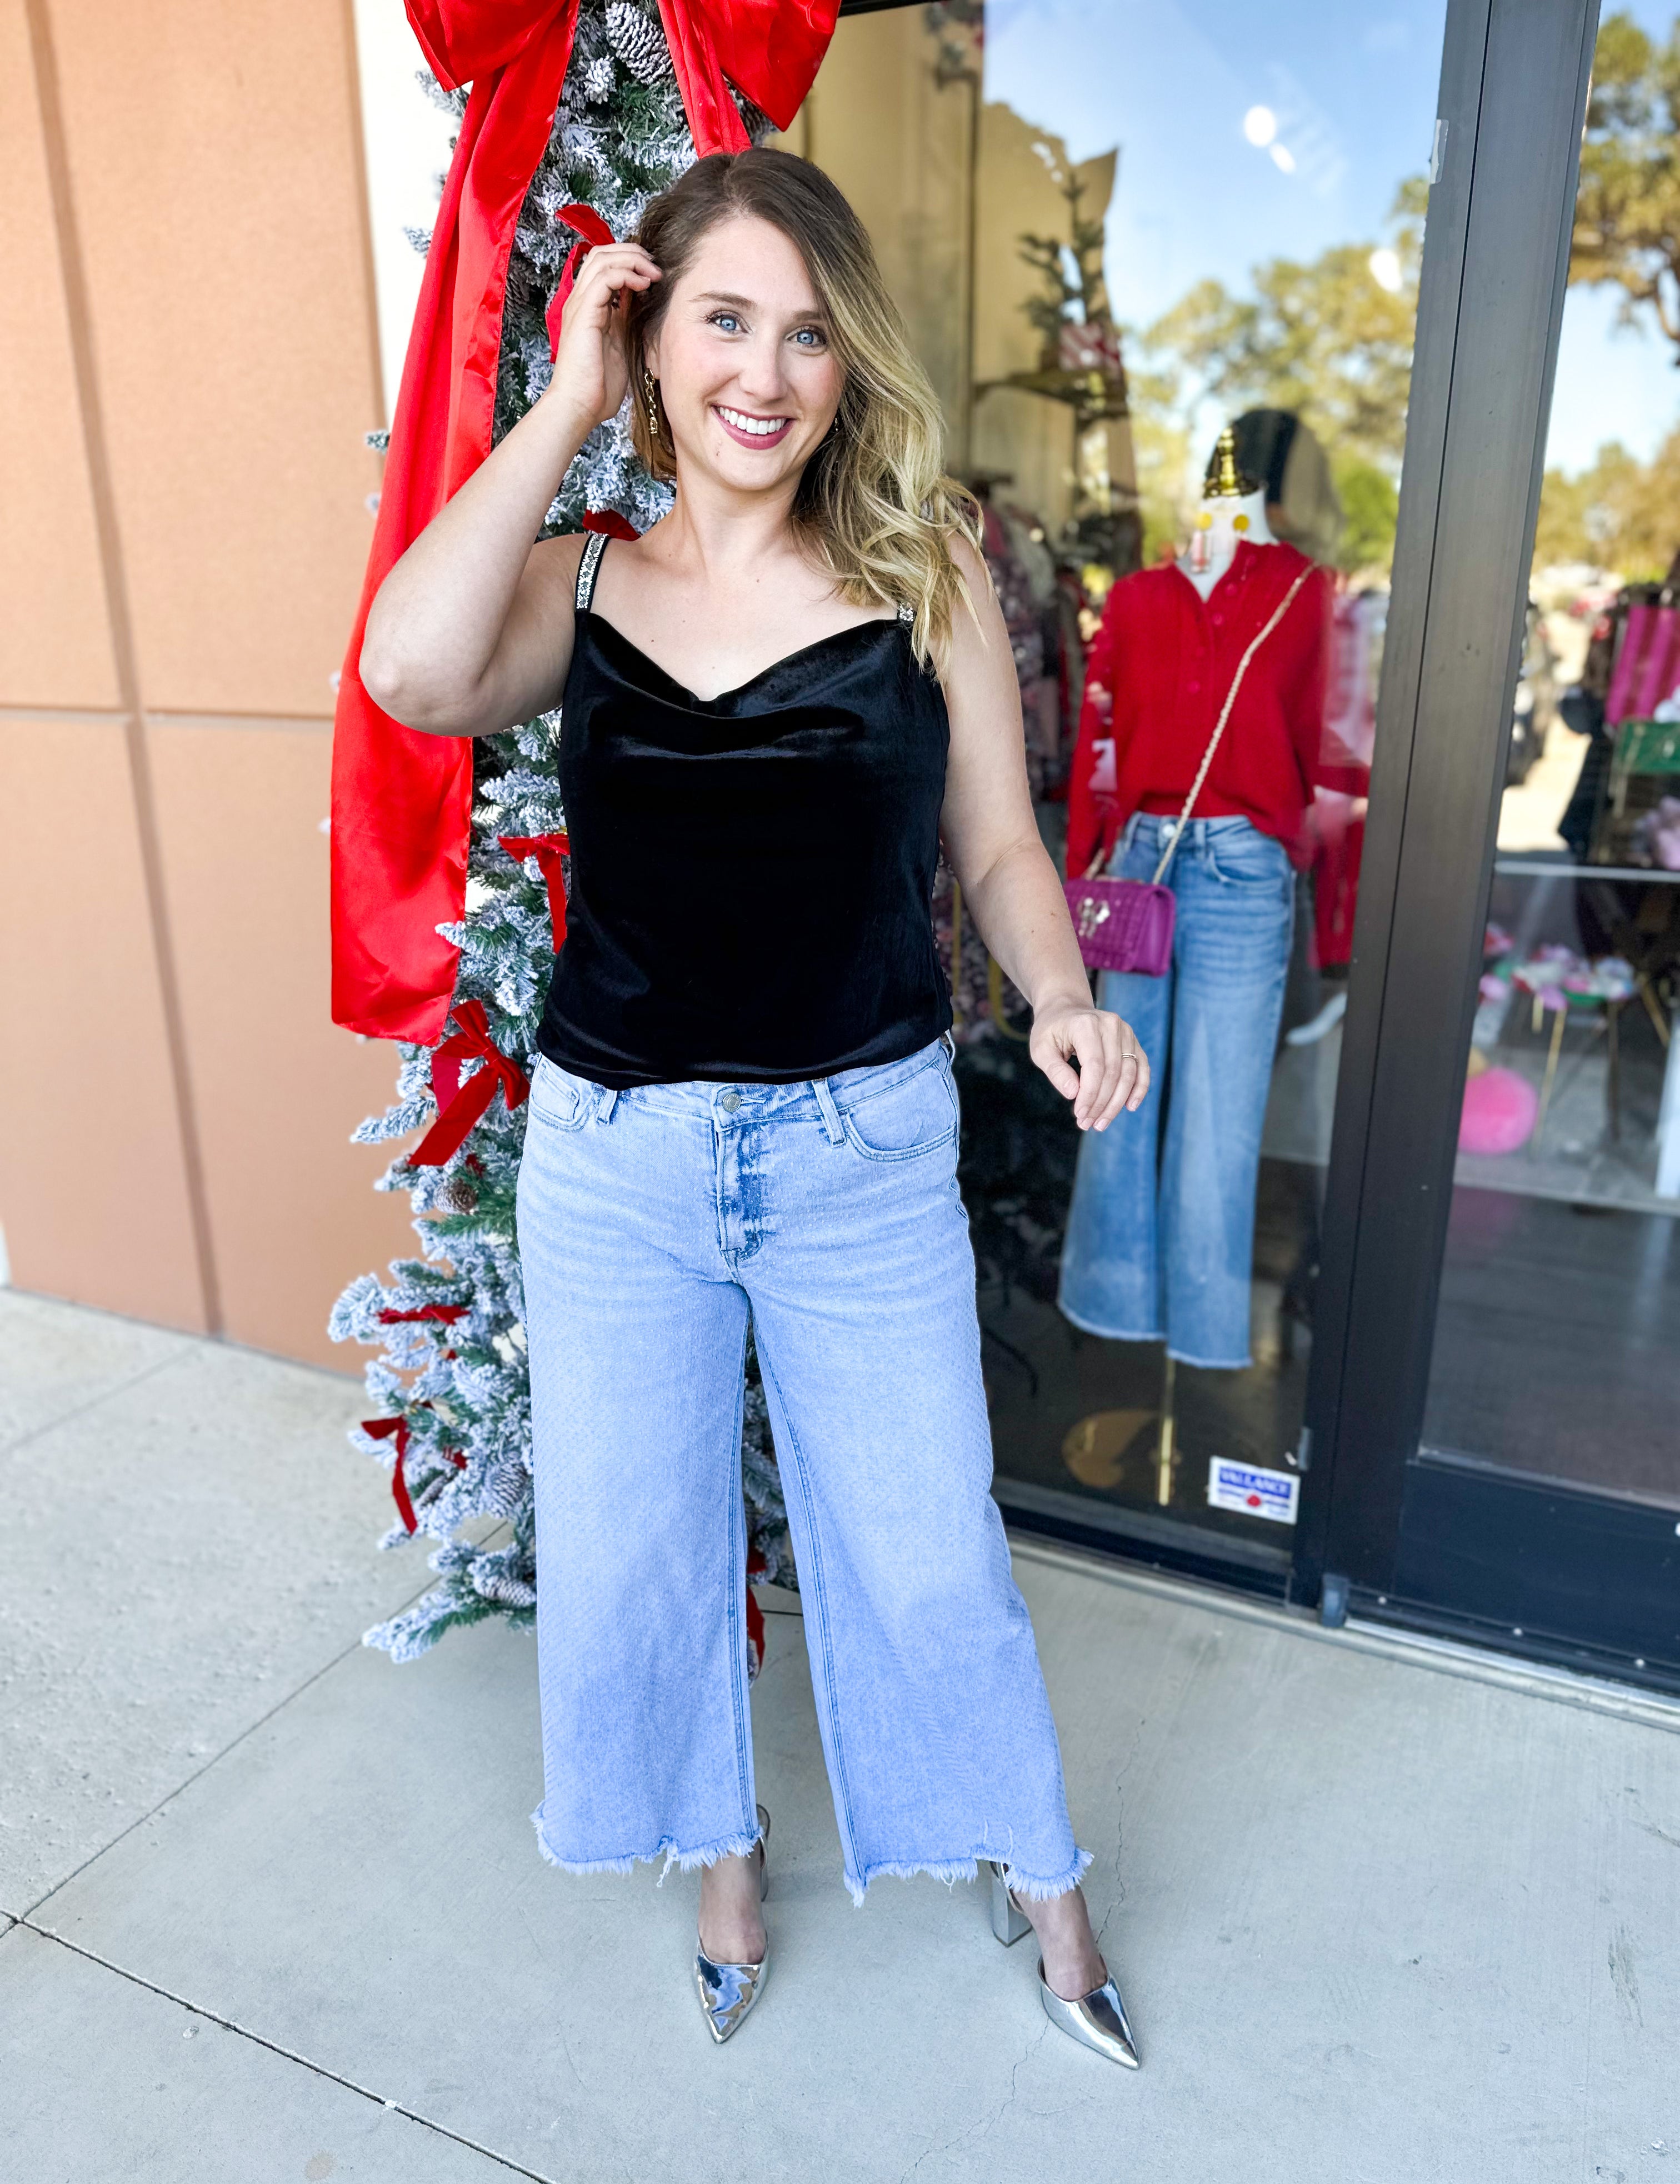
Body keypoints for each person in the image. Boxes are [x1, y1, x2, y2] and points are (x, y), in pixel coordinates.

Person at [358, 147, 1148, 2064]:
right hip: (619, 1164)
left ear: (847, 359)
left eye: (806, 332)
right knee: (639, 1550)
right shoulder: (587, 582)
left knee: (928, 1550)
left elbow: (1004, 850)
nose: (766, 375)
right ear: (654, 332)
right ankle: (725, 1852)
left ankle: (1041, 1872)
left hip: (858, 1159)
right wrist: (564, 397)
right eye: (724, 320)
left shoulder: (920, 567)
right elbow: (408, 664)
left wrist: (1059, 989)